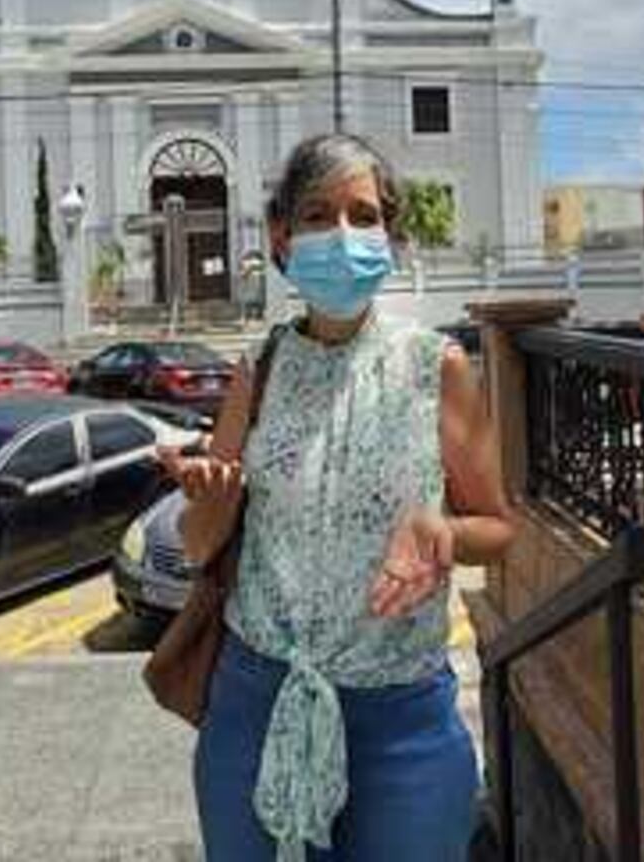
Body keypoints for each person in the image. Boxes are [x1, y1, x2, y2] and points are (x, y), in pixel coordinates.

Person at [160, 133, 516, 861]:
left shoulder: (435, 366)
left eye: (362, 214)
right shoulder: (257, 369)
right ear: (282, 237)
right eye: (319, 215)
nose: (342, 235)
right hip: (255, 708)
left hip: (402, 724)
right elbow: (200, 548)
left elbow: (499, 526)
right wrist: (212, 502)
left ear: (390, 233)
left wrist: (441, 533)